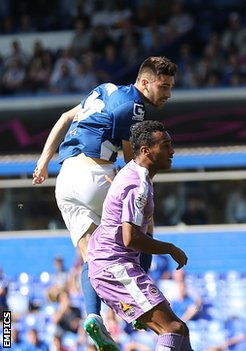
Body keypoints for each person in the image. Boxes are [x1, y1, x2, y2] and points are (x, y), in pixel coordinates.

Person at [32, 56, 177, 350]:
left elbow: (64, 117)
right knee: (140, 229)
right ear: (145, 82)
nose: (168, 94)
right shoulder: (134, 106)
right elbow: (131, 162)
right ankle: (139, 305)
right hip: (95, 175)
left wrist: (43, 160)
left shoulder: (104, 89)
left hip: (65, 180)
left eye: (171, 87)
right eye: (164, 86)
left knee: (93, 260)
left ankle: (93, 318)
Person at [88, 120, 192, 351]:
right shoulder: (138, 184)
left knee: (180, 330)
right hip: (114, 267)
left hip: (113, 266)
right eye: (165, 145)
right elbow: (130, 238)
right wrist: (170, 248)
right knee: (172, 329)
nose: (172, 151)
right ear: (146, 150)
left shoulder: (134, 174)